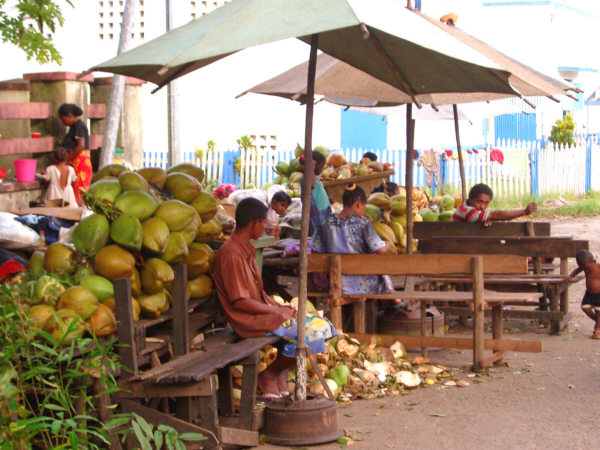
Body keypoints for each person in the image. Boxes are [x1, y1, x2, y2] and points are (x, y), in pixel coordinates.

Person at [213, 197, 337, 396]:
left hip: (262, 315)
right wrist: (275, 311)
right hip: (247, 320)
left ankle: (279, 373)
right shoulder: (231, 254)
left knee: (324, 327)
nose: (265, 227)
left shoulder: (245, 250)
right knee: (310, 336)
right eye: (263, 222)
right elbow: (241, 301)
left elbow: (259, 295)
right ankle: (269, 376)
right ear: (254, 223)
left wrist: (280, 308)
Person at [311, 183, 394, 295]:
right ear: (359, 205)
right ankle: (396, 301)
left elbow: (315, 251)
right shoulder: (363, 223)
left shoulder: (325, 222)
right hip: (364, 285)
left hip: (336, 284)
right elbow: (380, 250)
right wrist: (387, 244)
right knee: (380, 266)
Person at [451, 183, 537, 227]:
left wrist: (490, 218)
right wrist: (524, 212)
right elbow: (496, 215)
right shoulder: (467, 211)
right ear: (470, 199)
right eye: (479, 201)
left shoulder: (465, 208)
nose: (482, 206)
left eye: (486, 203)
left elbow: (493, 216)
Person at [58, 103, 91, 205]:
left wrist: (66, 160)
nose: (62, 122)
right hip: (75, 162)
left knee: (80, 190)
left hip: (80, 163)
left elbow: (80, 146)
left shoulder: (79, 126)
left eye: (63, 119)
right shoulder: (73, 127)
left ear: (69, 116)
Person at [565, 250, 600, 339]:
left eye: (588, 268)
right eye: (584, 269)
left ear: (594, 262)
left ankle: (598, 328)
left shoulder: (598, 267)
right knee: (585, 307)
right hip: (589, 293)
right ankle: (597, 322)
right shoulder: (584, 267)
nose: (586, 270)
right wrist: (570, 276)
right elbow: (577, 270)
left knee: (598, 311)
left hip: (599, 294)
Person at [301, 150, 332, 236]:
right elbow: (312, 185)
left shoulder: (314, 177)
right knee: (318, 236)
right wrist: (311, 167)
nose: (321, 170)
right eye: (320, 166)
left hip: (323, 211)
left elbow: (316, 192)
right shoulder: (306, 178)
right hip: (317, 214)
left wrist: (327, 199)